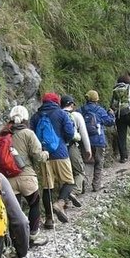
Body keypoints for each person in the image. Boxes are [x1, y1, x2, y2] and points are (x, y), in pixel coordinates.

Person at [0, 105, 49, 244]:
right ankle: (33, 236)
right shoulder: (28, 133)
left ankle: (16, 241)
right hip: (27, 176)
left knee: (15, 212)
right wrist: (46, 154)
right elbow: (38, 156)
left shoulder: (2, 135)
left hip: (7, 180)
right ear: (26, 118)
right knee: (34, 204)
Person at [30, 92, 76, 226]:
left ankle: (49, 219)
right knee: (69, 182)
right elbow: (70, 133)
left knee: (47, 187)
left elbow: (32, 136)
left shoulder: (36, 116)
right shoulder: (61, 114)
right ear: (57, 102)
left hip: (44, 155)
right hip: (60, 153)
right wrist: (63, 142)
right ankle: (60, 203)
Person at [81, 90, 115, 191]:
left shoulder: (81, 110)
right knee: (99, 163)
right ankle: (96, 185)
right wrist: (111, 114)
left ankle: (83, 186)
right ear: (96, 99)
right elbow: (110, 122)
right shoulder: (100, 110)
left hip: (85, 141)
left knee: (86, 162)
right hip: (98, 141)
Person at [60, 94, 92, 205]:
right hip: (72, 147)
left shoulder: (58, 115)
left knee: (66, 175)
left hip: (59, 149)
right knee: (79, 172)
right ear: (71, 104)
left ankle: (64, 201)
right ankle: (74, 191)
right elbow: (84, 134)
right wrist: (88, 150)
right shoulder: (76, 115)